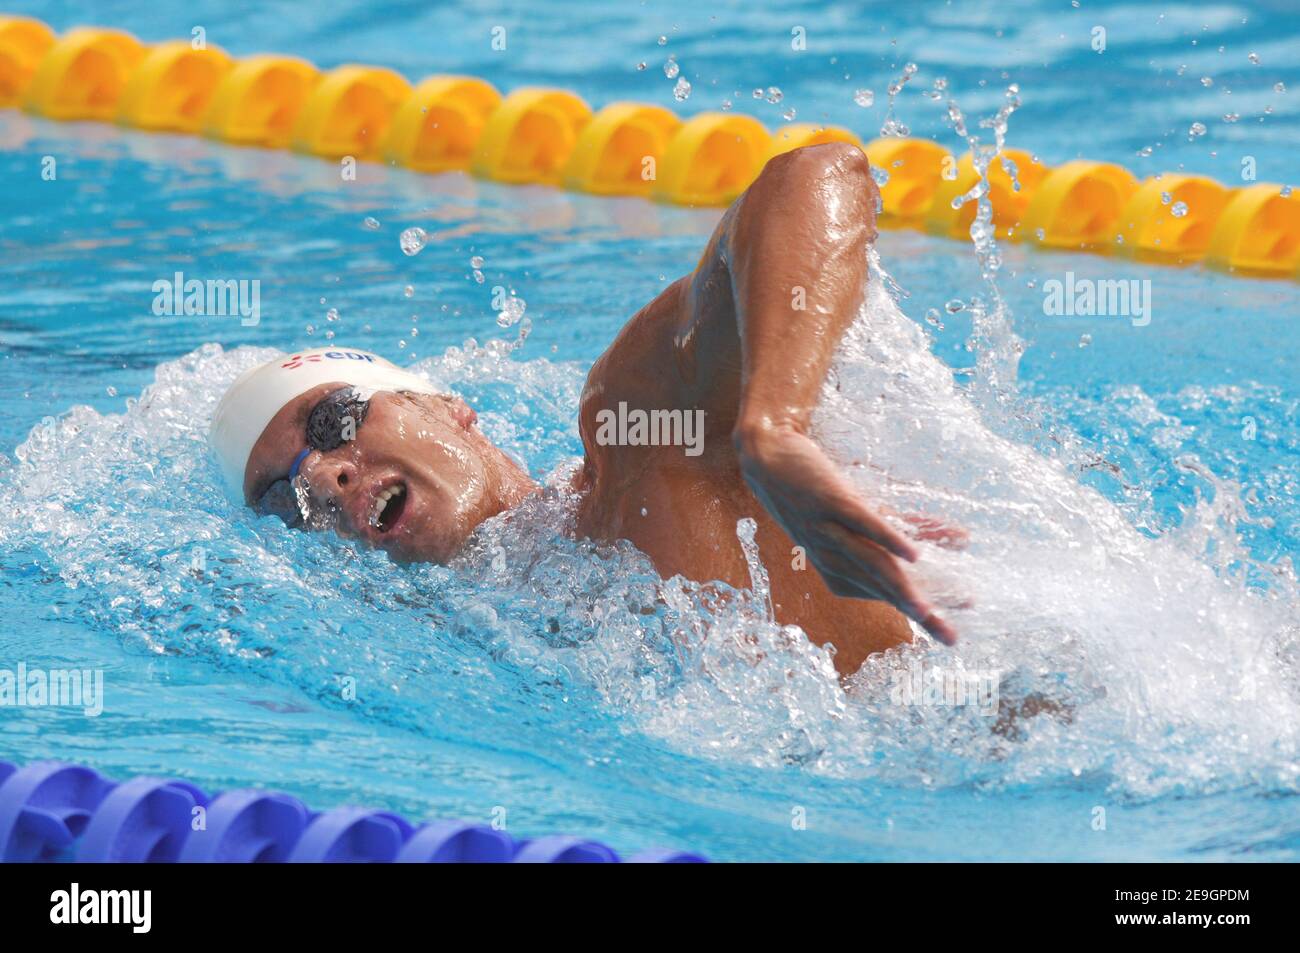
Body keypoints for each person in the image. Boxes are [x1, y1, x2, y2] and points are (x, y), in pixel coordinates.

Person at [210, 143, 959, 677]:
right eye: (284, 497)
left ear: (444, 406)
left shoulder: (643, 441)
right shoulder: (496, 654)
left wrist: (774, 428)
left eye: (332, 420)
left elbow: (817, 172)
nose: (326, 476)